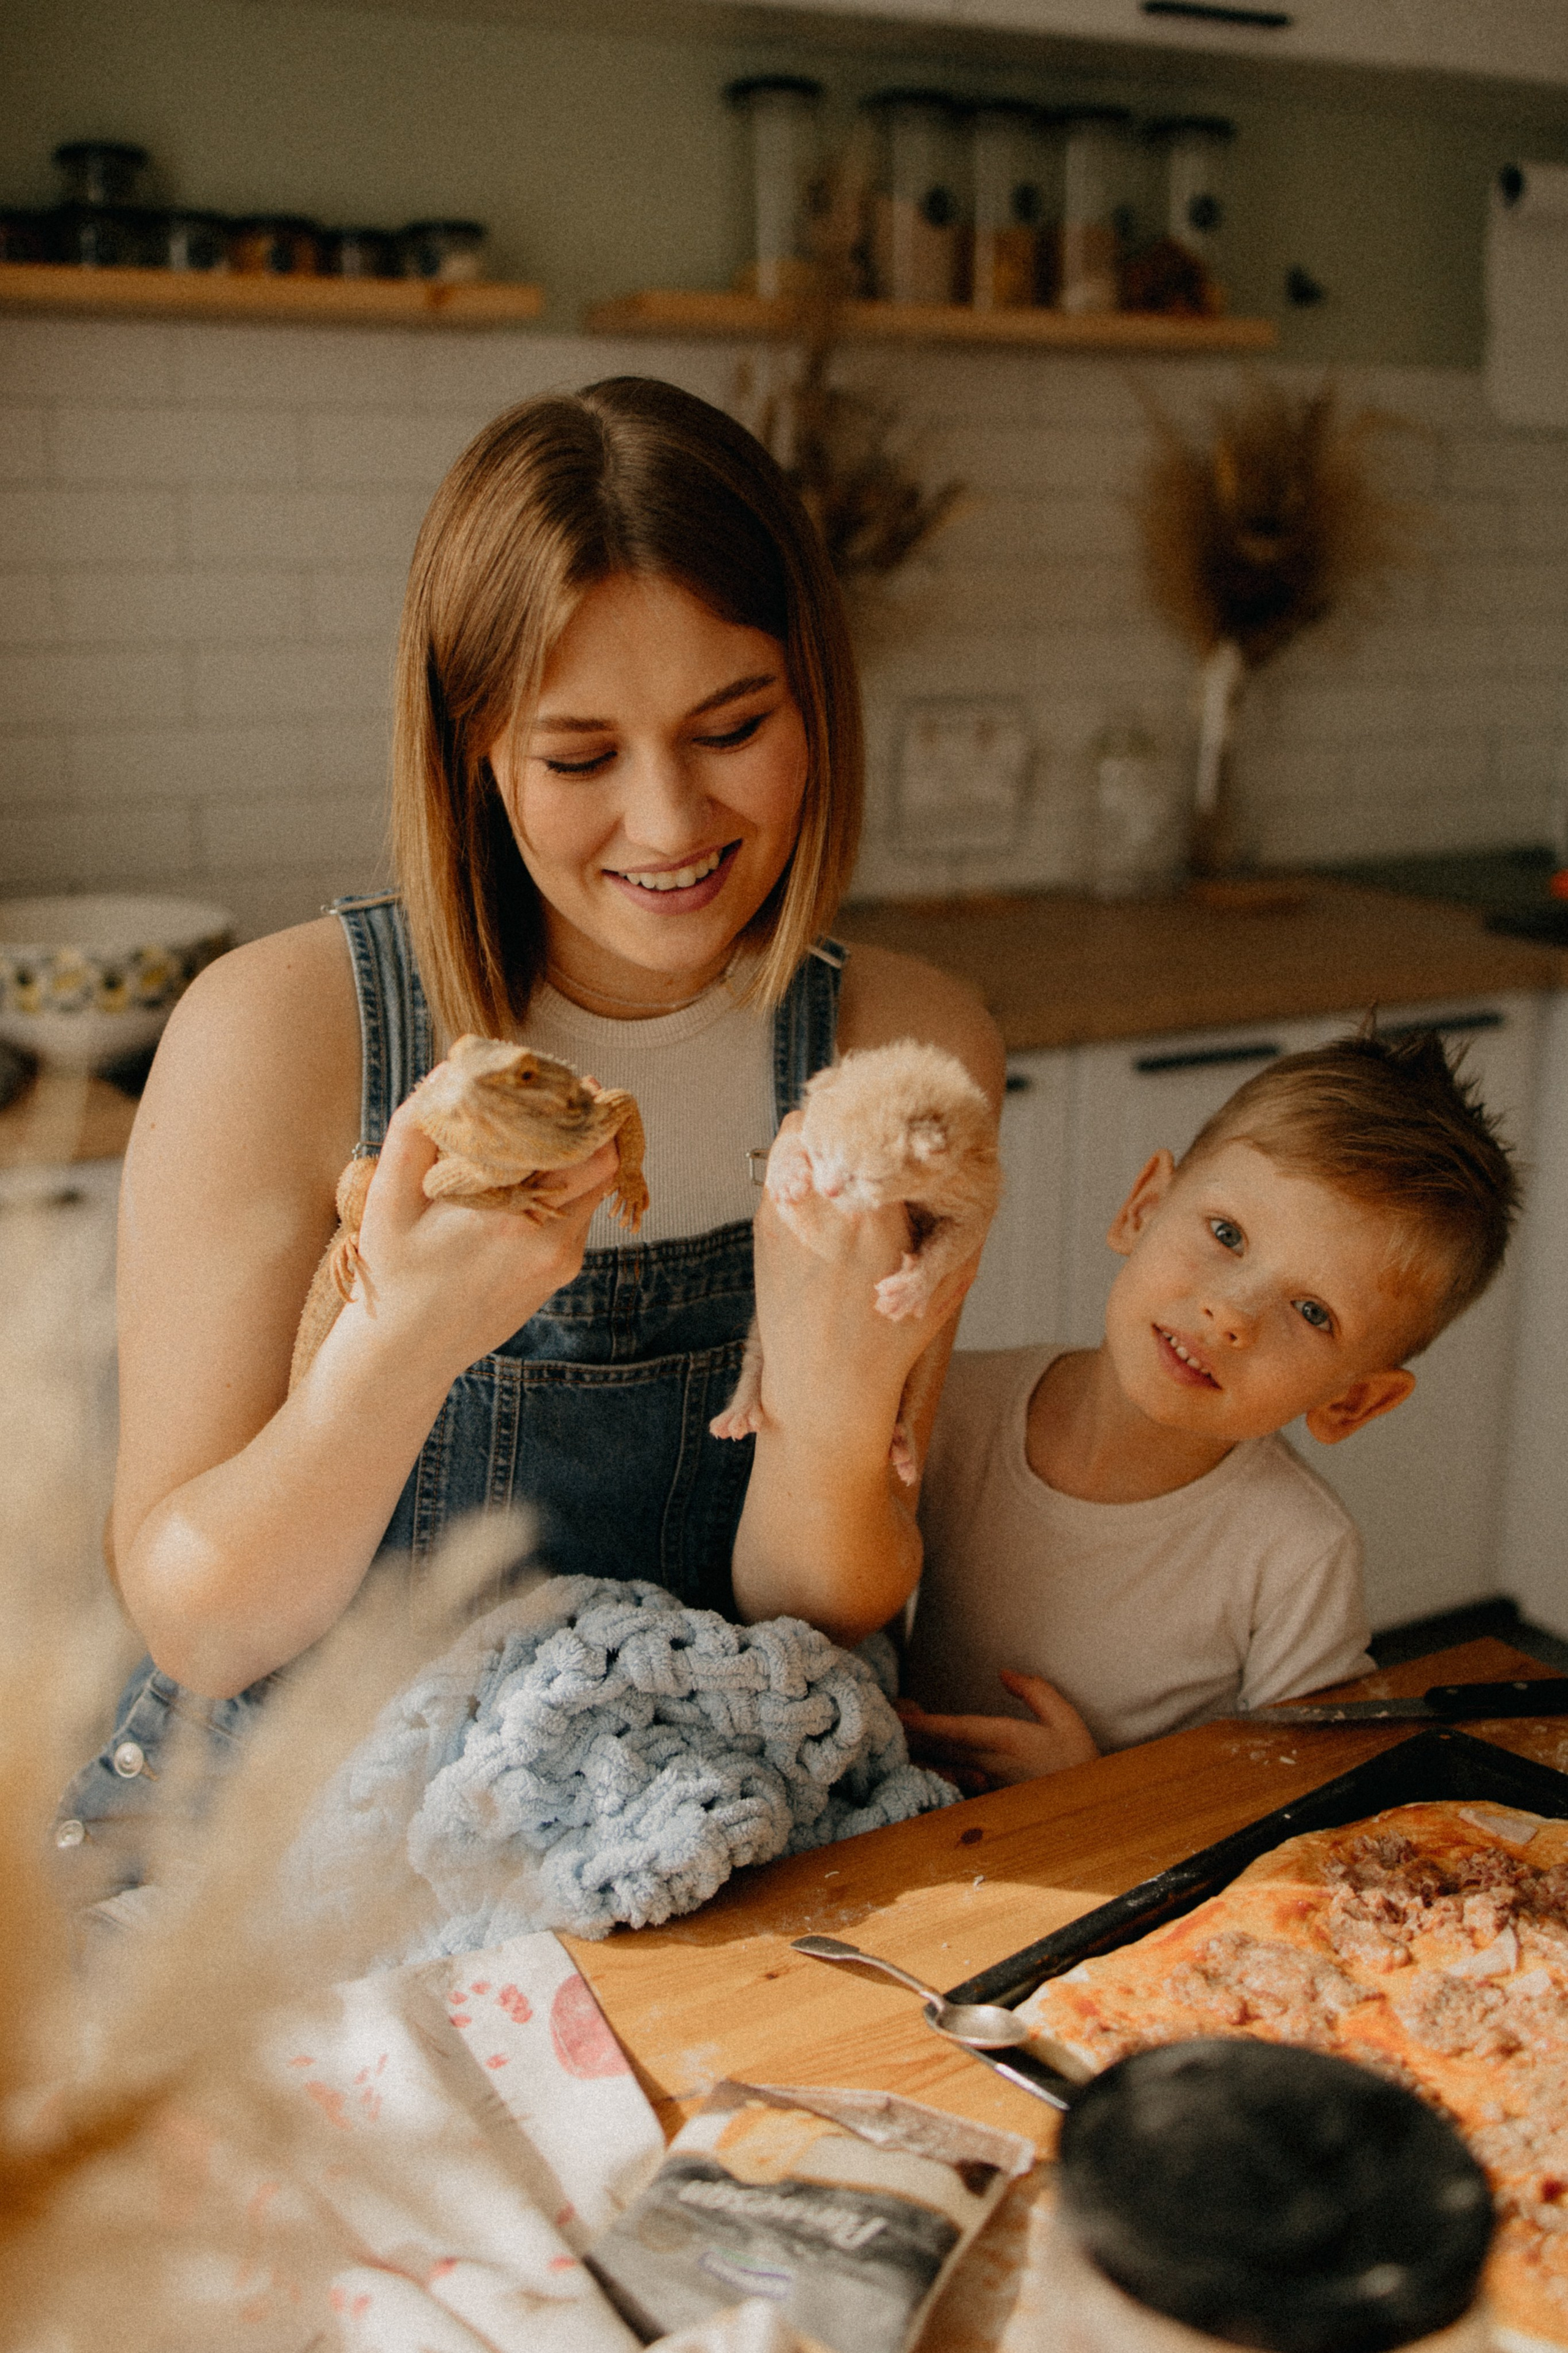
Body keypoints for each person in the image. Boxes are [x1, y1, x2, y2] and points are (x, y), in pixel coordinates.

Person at [58, 377, 1002, 1881]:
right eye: (578, 756)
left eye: (733, 725)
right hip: (293, 1856)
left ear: (815, 695)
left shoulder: (900, 1051)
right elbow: (201, 1621)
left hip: (690, 1818)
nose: (668, 819)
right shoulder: (281, 1032)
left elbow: (822, 1616)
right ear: (472, 752)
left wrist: (831, 1389)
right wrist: (398, 1344)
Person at [897, 1029, 1520, 1791]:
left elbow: (1300, 1795)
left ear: (1352, 1399)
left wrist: (1091, 1791)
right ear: (1143, 1207)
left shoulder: (1297, 1551)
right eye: (1227, 1235)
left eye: (1312, 1311)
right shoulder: (949, 1403)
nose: (1231, 1313)